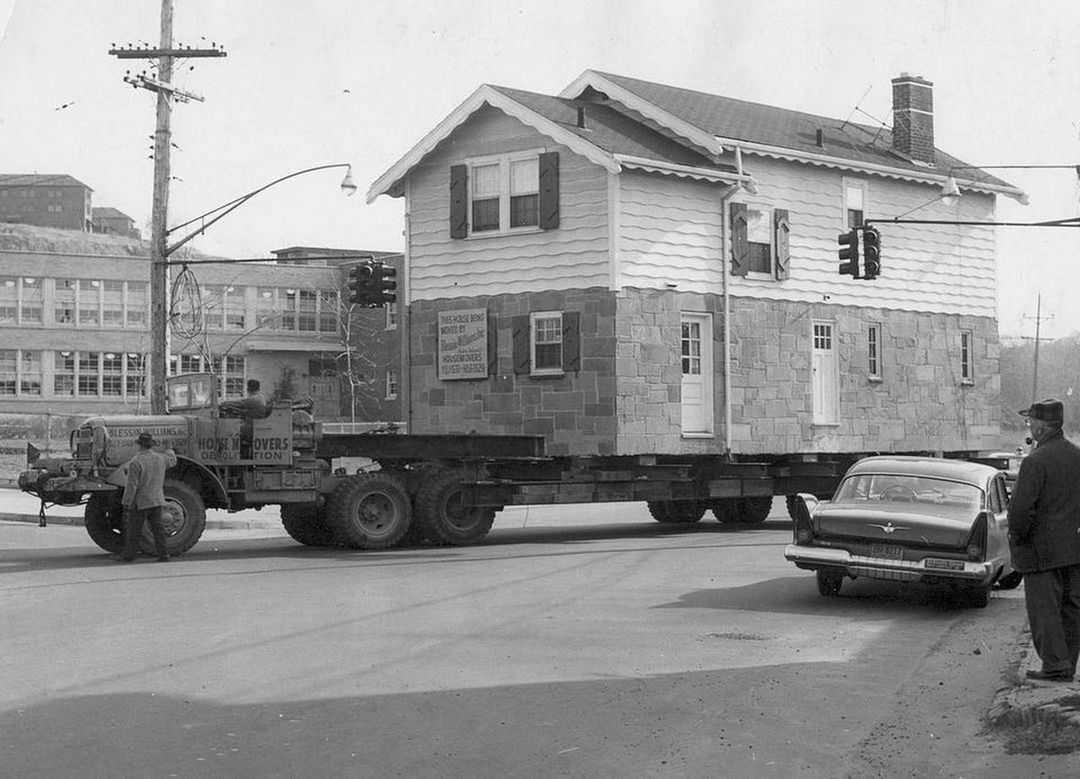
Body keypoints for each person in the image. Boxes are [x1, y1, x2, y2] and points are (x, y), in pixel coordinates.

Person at [1007, 398, 1080, 682]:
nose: (1029, 426)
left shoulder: (1035, 462)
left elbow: (1020, 510)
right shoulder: (1077, 456)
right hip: (1074, 548)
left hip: (1040, 551)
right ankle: (1068, 663)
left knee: (1044, 609)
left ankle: (1054, 665)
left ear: (1040, 426)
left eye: (1031, 422)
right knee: (1072, 607)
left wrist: (1019, 539)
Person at [116, 432, 178, 562]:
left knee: (134, 530)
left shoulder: (136, 462)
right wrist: (169, 449)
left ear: (139, 445)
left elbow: (132, 485)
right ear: (151, 445)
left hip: (141, 502)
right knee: (158, 529)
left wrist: (126, 502)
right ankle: (164, 554)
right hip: (157, 499)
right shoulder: (161, 458)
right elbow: (172, 461)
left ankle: (129, 555)